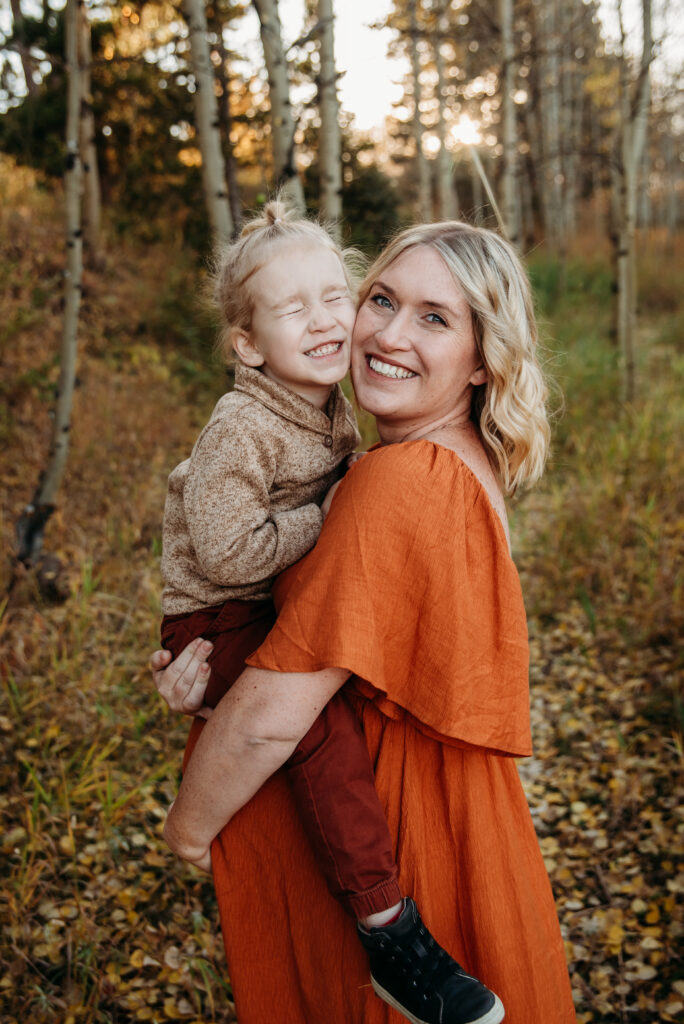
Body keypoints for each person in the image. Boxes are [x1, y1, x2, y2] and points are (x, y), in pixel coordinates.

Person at [152, 221, 576, 1024]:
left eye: (434, 318)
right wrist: (209, 664)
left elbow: (272, 716)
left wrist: (187, 826)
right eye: (381, 299)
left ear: (484, 360)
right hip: (457, 834)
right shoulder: (453, 460)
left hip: (401, 847)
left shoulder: (397, 481)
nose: (385, 333)